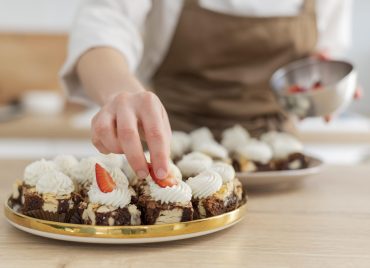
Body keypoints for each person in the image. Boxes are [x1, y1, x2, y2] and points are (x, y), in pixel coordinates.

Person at [61, 0, 353, 180]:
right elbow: (104, 23)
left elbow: (321, 52)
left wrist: (318, 82)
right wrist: (118, 93)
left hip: (279, 163)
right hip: (170, 155)